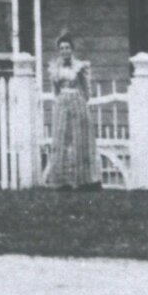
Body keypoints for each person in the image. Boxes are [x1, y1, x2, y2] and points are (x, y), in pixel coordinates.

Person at [41, 31, 99, 189]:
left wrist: (80, 101)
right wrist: (61, 101)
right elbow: (55, 91)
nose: (65, 50)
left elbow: (87, 90)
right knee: (62, 140)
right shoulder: (54, 68)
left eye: (67, 47)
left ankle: (82, 180)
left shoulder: (80, 66)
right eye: (62, 48)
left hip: (77, 103)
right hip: (61, 104)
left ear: (72, 49)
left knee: (78, 140)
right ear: (59, 51)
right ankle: (63, 180)